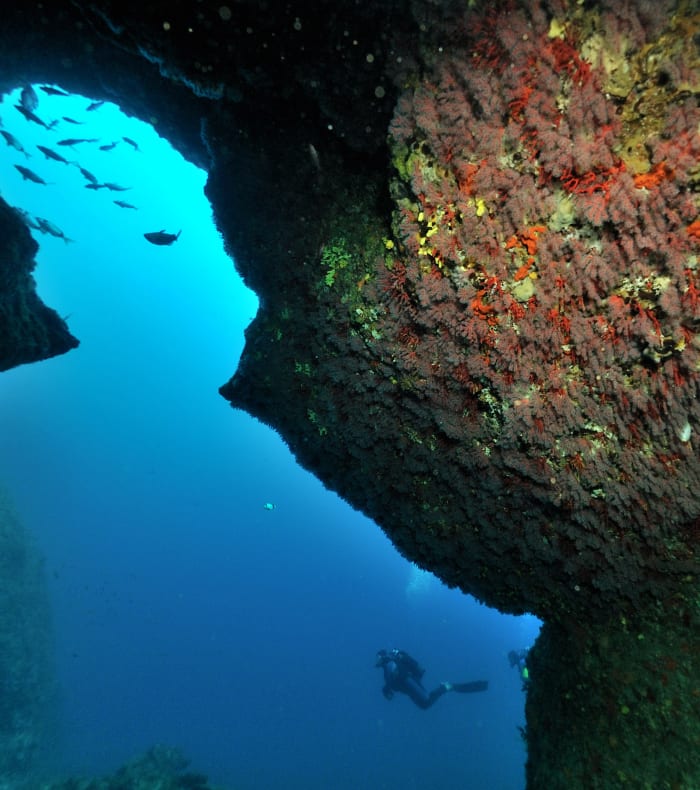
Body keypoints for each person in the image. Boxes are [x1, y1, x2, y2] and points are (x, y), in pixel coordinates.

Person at [375, 648, 488, 710]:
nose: (376, 660)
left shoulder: (389, 663)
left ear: (382, 656)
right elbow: (392, 681)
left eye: (377, 657)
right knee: (424, 705)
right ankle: (445, 687)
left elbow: (395, 675)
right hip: (408, 686)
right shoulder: (386, 668)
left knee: (426, 700)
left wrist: (387, 688)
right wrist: (387, 689)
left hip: (408, 681)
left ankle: (445, 687)